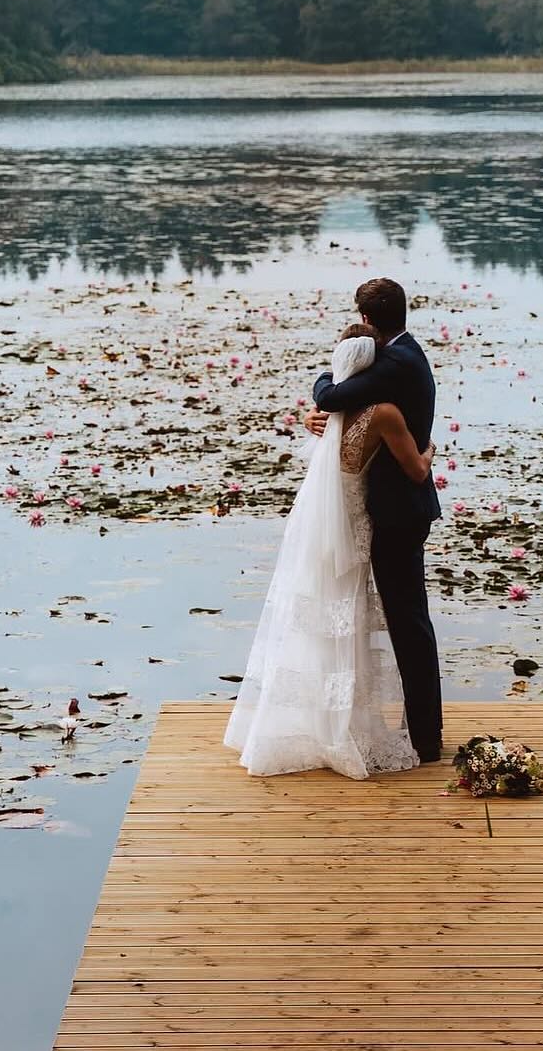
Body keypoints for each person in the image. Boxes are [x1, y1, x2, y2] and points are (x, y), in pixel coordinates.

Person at [224, 323, 435, 778]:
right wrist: (430, 449)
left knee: (318, 620)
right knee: (348, 623)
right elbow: (416, 470)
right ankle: (343, 727)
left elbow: (327, 398)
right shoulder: (382, 413)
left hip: (322, 529)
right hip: (357, 528)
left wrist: (317, 402)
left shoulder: (331, 416)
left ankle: (310, 721)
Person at [304, 278, 444, 763]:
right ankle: (423, 732)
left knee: (409, 625)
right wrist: (316, 414)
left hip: (398, 513)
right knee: (410, 623)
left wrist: (321, 390)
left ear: (366, 319)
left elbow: (334, 394)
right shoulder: (408, 353)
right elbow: (340, 405)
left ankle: (426, 740)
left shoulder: (394, 364)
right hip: (397, 507)